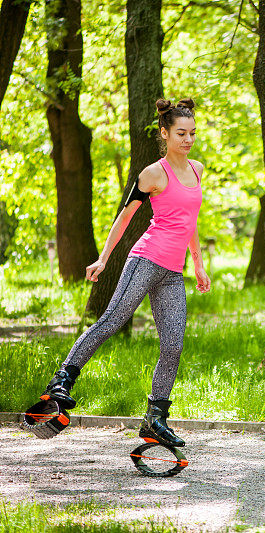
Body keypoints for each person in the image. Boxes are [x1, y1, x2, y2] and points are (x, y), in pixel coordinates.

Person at [36, 98, 210, 448]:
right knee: (112, 320)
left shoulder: (197, 170)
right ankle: (62, 381)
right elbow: (125, 216)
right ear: (164, 133)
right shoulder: (153, 173)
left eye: (192, 133)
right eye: (180, 133)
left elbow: (190, 220)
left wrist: (198, 263)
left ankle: (155, 418)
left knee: (173, 345)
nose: (188, 139)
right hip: (145, 260)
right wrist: (103, 258)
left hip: (173, 272)